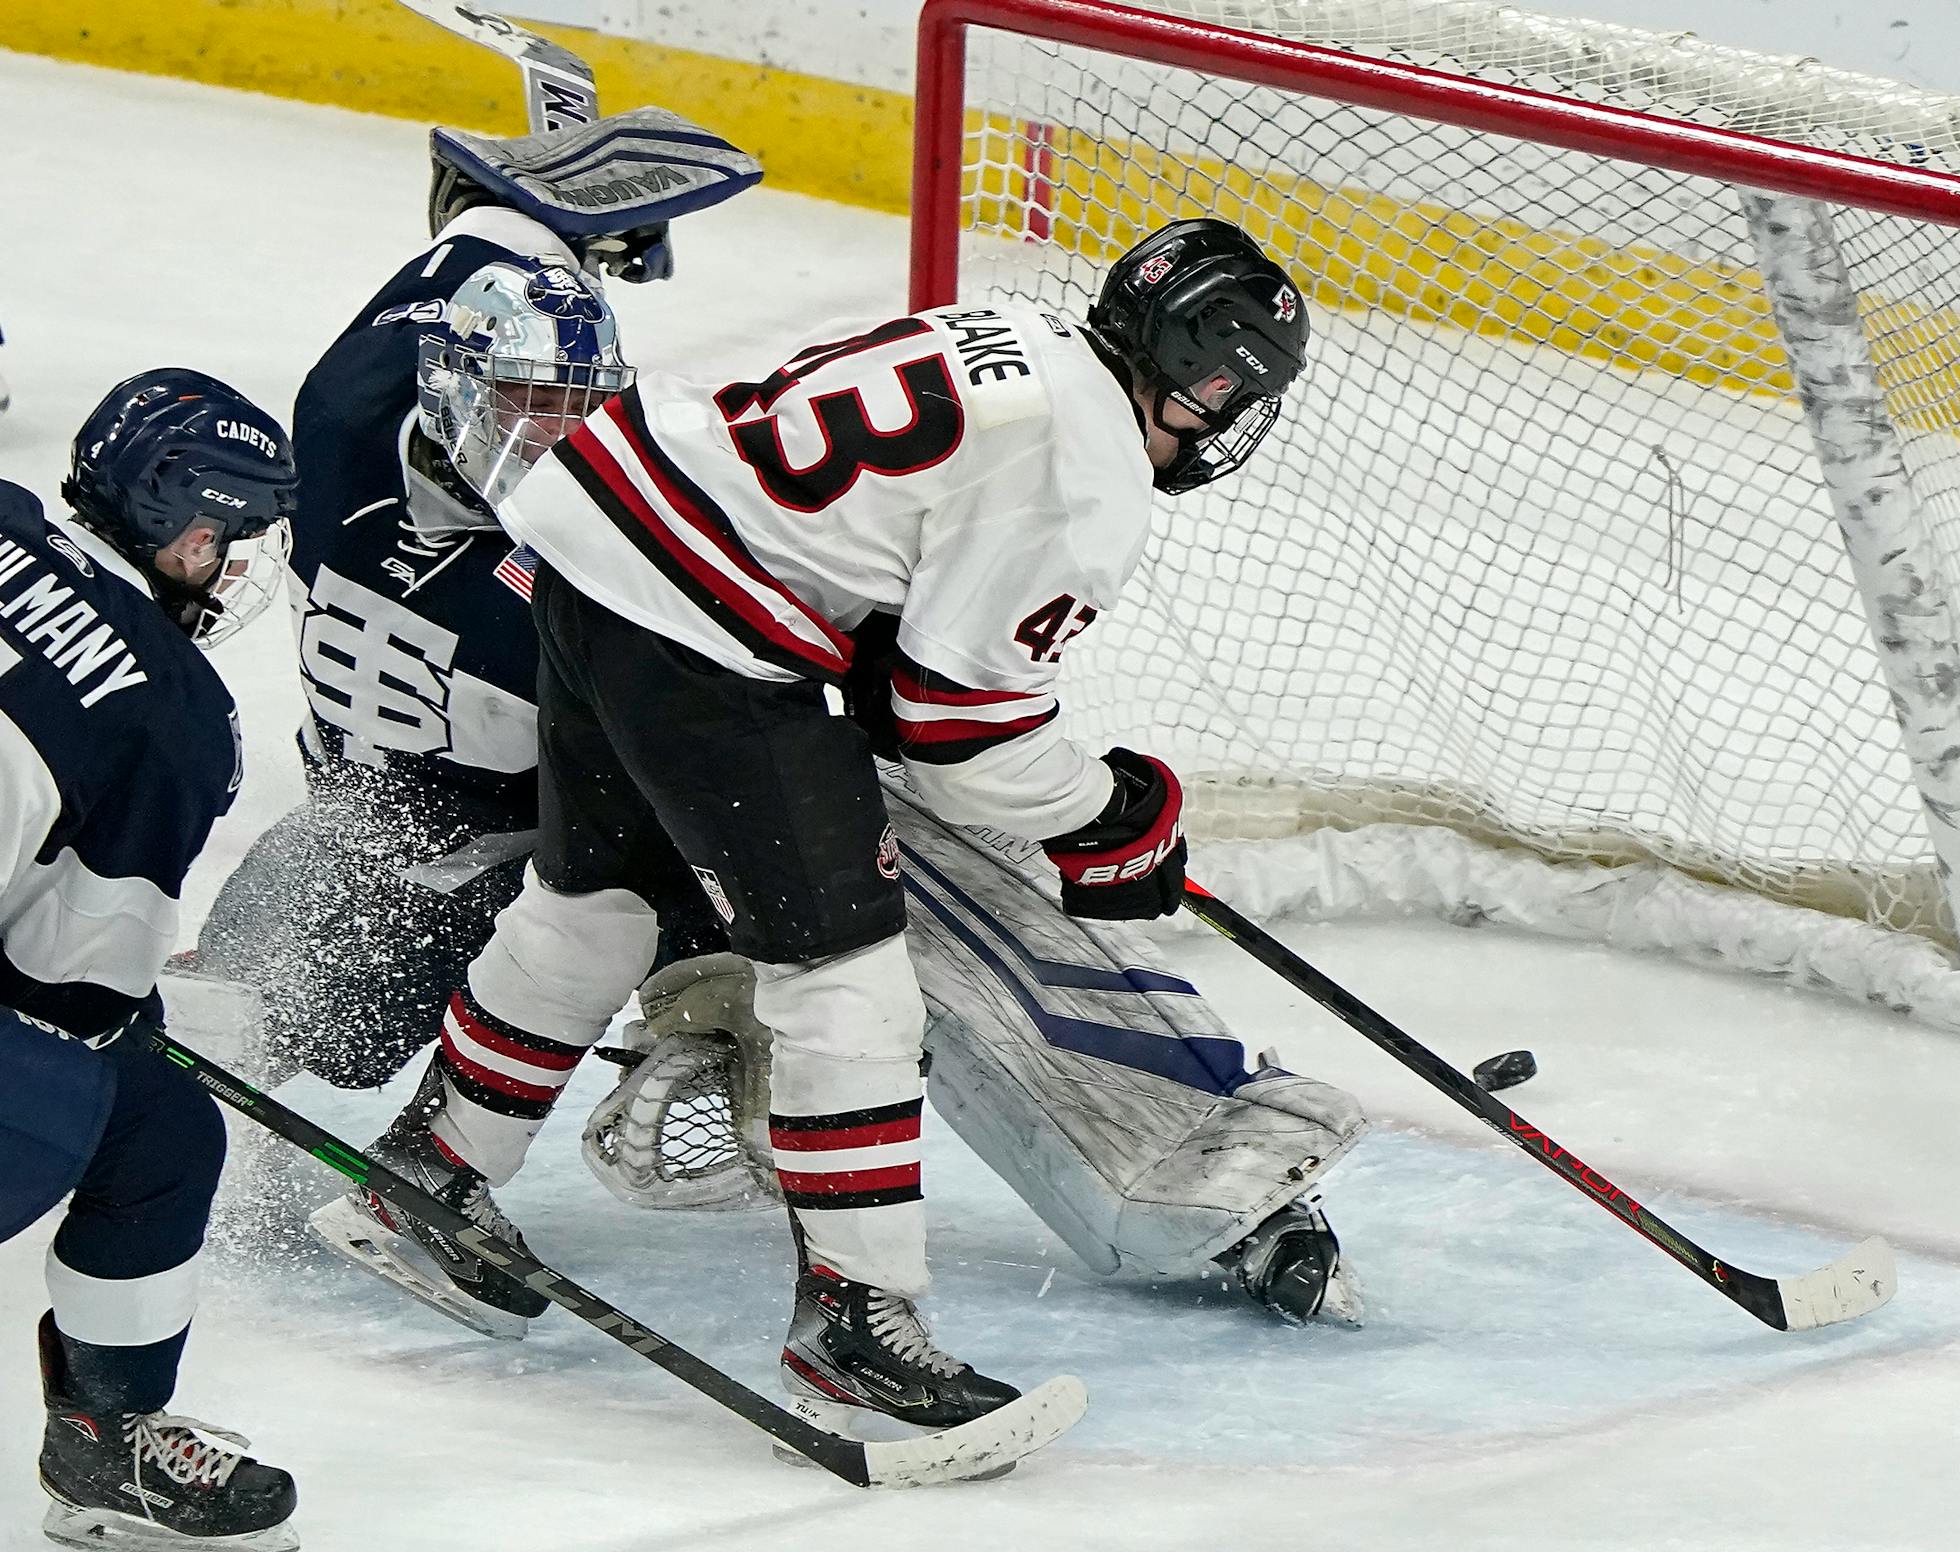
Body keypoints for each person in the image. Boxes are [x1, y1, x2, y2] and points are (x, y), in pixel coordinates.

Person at [311, 215, 1316, 1442]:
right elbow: (960, 730)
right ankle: (857, 1324)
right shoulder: (1092, 475)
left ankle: (434, 1165)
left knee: (597, 900)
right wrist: (1105, 811)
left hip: (592, 534)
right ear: (1213, 381)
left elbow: (888, 609)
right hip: (702, 629)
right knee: (848, 984)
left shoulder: (1008, 334)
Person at [187, 125, 742, 1094]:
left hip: (347, 814)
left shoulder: (340, 414)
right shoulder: (567, 600)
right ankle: (707, 1012)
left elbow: (445, 279)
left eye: (578, 404)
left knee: (243, 1012)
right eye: (533, 408)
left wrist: (527, 229)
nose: (562, 439)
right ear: (456, 396)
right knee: (716, 793)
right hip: (465, 860)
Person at [0, 370, 300, 1551]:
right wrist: (123, 1018)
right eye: (235, 535)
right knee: (145, 1116)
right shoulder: (173, 710)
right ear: (187, 530)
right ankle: (107, 1435)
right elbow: (69, 987)